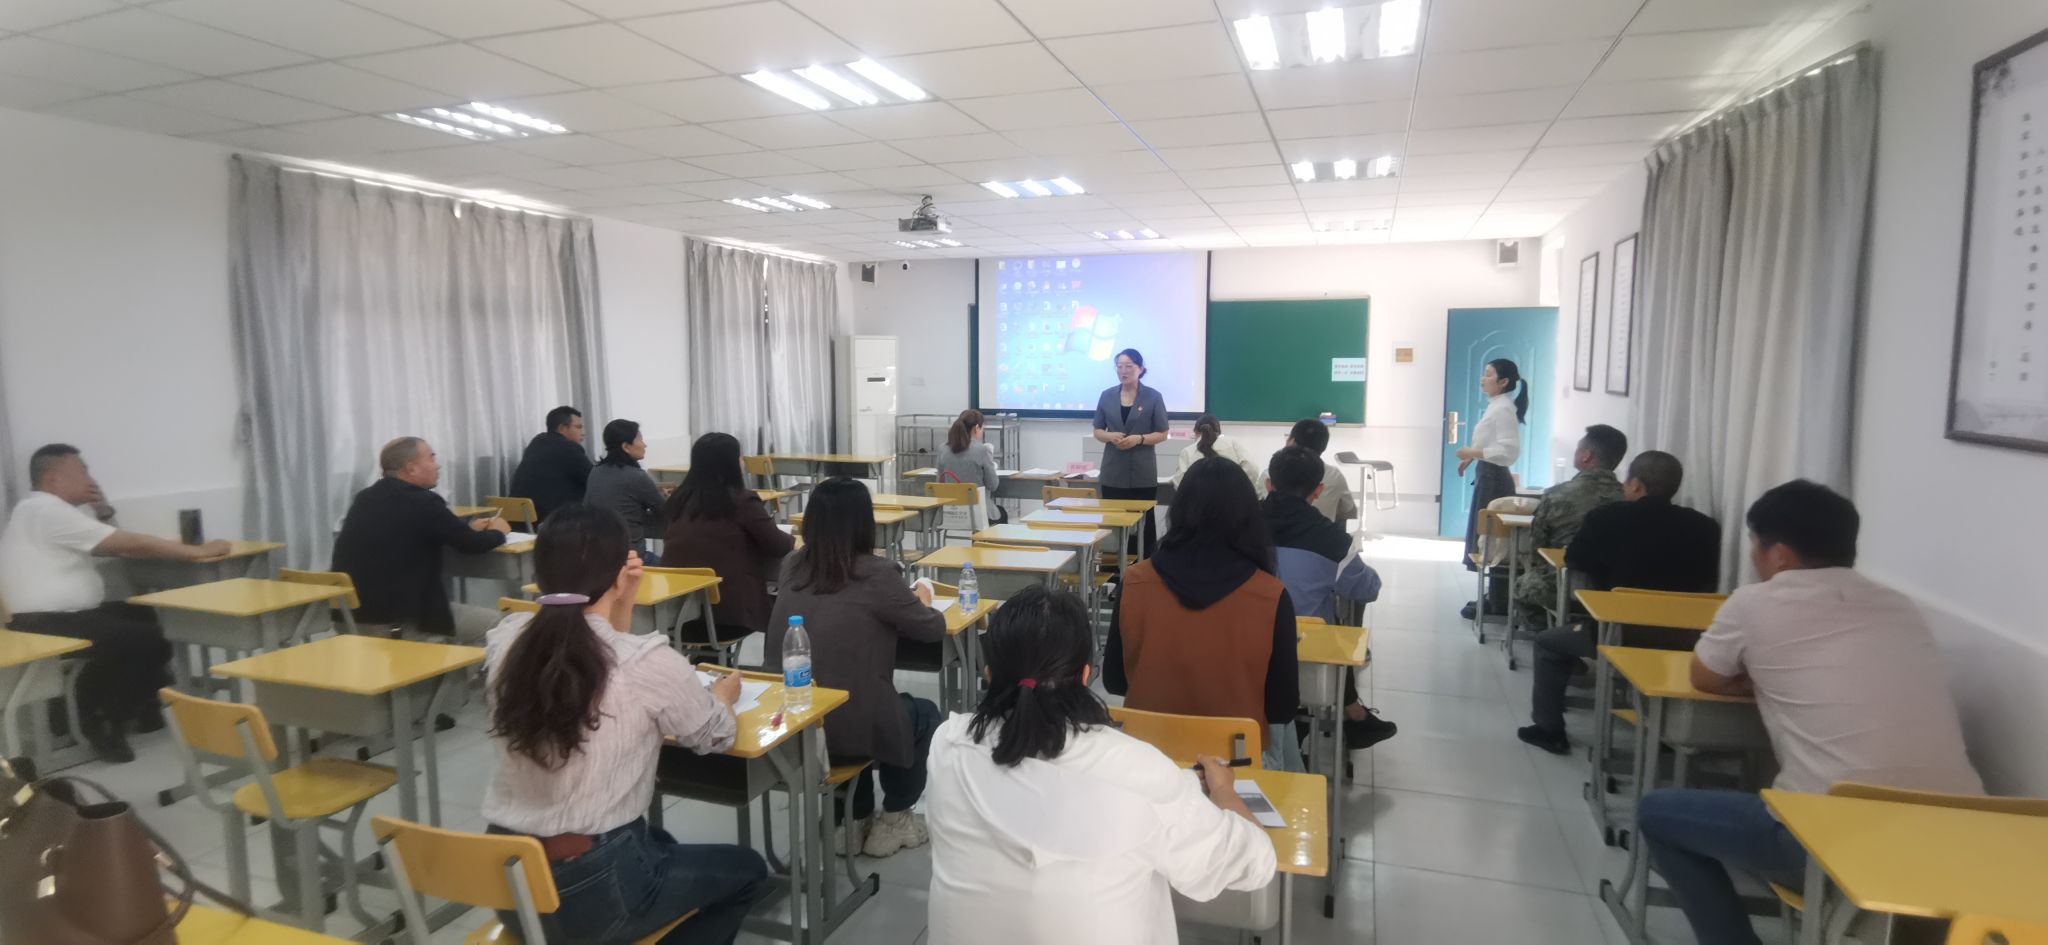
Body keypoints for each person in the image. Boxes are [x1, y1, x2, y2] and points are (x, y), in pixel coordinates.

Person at [1637, 481, 1982, 945]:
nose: (1754, 557)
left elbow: (1704, 677)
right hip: (1960, 839)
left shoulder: (1754, 602)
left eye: (1756, 545)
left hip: (1832, 839)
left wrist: (1759, 680)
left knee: (1657, 812)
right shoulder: (1898, 606)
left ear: (1779, 554)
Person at [481, 503, 768, 945]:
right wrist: (724, 699)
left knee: (659, 839)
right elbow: (714, 736)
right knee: (747, 871)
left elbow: (591, 646)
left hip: (511, 880)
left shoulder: (508, 640)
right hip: (590, 891)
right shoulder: (647, 662)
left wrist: (622, 597)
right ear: (618, 574)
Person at [925, 585, 1276, 945]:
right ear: (1084, 675)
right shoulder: (1140, 772)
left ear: (989, 674)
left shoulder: (947, 746)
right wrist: (1223, 790)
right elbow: (1255, 863)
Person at [0, 444, 231, 762]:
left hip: (62, 616)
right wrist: (196, 552)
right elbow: (126, 544)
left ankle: (144, 705)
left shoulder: (47, 512)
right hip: (41, 623)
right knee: (148, 639)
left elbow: (113, 541)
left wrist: (104, 511)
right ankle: (100, 717)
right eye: (82, 471)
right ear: (53, 478)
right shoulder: (43, 511)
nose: (90, 479)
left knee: (148, 616)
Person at [766, 478, 946, 857]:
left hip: (794, 725)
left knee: (847, 694)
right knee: (923, 714)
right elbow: (931, 629)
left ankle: (850, 819)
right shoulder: (877, 574)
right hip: (847, 727)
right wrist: (923, 599)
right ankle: (895, 819)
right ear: (865, 523)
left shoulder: (792, 565)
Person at [1517, 450, 1720, 755]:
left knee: (1548, 643)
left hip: (1620, 634)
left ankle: (1549, 730)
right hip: (1685, 639)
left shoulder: (1607, 518)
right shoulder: (1705, 527)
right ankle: (1665, 732)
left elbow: (1575, 560)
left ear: (1636, 485)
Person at [1104, 456, 1300, 769]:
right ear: (1250, 518)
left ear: (1179, 511)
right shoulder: (1270, 595)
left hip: (1147, 759)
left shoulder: (1135, 581)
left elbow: (1115, 682)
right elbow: (1282, 708)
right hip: (1234, 765)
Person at [1262, 446, 1396, 750]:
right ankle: (1350, 713)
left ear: (1269, 484)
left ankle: (1348, 713)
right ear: (1318, 490)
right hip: (1307, 655)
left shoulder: (1241, 526)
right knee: (1335, 617)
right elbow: (1367, 589)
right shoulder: (1332, 540)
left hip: (1245, 642)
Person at [332, 437, 510, 644]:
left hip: (350, 620)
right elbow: (472, 545)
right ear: (411, 468)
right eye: (431, 458)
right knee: (509, 626)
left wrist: (467, 530)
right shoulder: (423, 501)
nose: (437, 465)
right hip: (398, 623)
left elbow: (408, 532)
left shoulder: (365, 497)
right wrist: (499, 532)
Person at [660, 433, 793, 646]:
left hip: (677, 617)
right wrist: (793, 536)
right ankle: (776, 662)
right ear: (730, 464)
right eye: (740, 457)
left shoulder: (678, 500)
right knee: (788, 604)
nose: (743, 462)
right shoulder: (741, 501)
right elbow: (778, 545)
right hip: (730, 617)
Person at [1508, 424, 1628, 622]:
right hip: (1615, 587)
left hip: (1563, 585)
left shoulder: (1557, 494)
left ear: (1586, 456)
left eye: (1578, 449)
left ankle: (1542, 632)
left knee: (1524, 584)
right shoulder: (1628, 497)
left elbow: (1536, 546)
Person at [1455, 358, 1527, 588]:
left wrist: (1472, 452)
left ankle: (1497, 596)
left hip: (1495, 478)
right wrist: (1470, 458)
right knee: (1486, 539)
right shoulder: (1496, 404)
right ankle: (1492, 595)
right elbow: (1490, 439)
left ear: (1503, 382)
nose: (1483, 379)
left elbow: (1508, 451)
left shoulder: (1504, 408)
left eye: (1489, 374)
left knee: (1493, 540)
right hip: (1486, 473)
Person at [1091, 348, 1169, 556]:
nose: (1123, 371)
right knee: (1112, 525)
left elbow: (1163, 433)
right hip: (1113, 471)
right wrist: (1110, 436)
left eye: (1128, 366)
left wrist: (1140, 439)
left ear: (1140, 369)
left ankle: (1144, 566)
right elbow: (1097, 430)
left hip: (1142, 472)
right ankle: (1113, 570)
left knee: (1143, 525)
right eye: (1119, 366)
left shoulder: (1153, 396)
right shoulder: (1107, 396)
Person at [584, 419, 664, 555]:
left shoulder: (595, 471)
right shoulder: (637, 476)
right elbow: (664, 512)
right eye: (640, 439)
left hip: (597, 555)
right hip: (630, 557)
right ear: (626, 446)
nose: (644, 445)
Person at [510, 405, 592, 524]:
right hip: (552, 521)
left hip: (521, 520)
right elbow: (593, 479)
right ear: (562, 428)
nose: (583, 433)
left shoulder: (537, 442)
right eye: (578, 427)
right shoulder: (569, 448)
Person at [1270, 417, 1358, 526]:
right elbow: (1348, 511)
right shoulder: (1335, 476)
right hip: (1322, 535)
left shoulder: (1270, 474)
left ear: (1292, 442)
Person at [933, 409, 1002, 524]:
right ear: (976, 428)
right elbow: (993, 485)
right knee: (1002, 514)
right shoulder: (982, 450)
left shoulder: (942, 449)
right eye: (982, 428)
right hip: (978, 514)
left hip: (949, 513)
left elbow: (940, 483)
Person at [1174, 414, 1259, 487]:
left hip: (1199, 500)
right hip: (1234, 498)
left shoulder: (1187, 452)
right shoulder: (1233, 444)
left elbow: (1180, 483)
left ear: (1196, 432)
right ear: (1219, 431)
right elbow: (1252, 469)